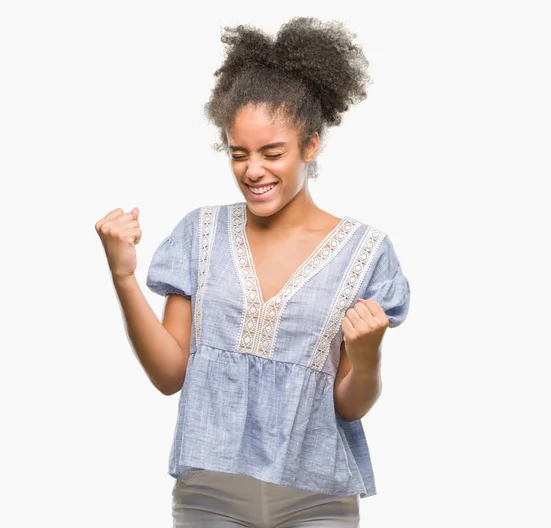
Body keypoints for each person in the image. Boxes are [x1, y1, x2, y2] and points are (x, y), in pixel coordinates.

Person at [95, 16, 410, 528]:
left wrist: (369, 357)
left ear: (311, 145)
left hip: (318, 499)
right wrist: (124, 277)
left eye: (272, 152)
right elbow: (169, 374)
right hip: (208, 497)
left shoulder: (366, 252)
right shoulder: (200, 234)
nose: (253, 170)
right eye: (239, 154)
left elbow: (350, 407)